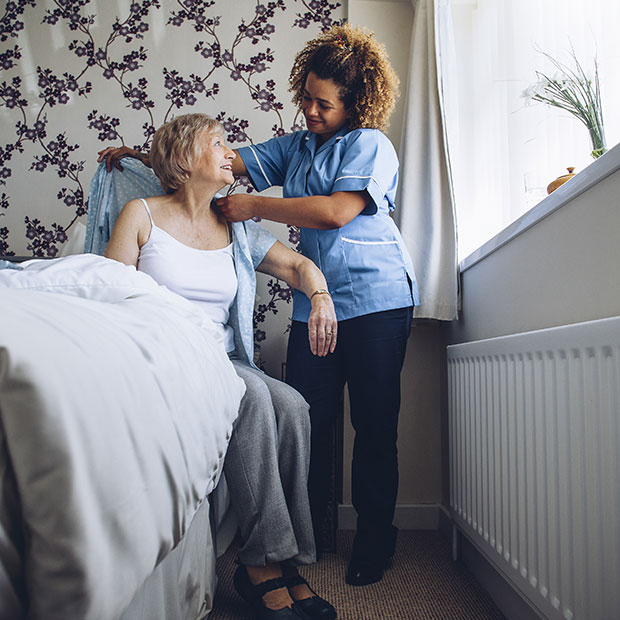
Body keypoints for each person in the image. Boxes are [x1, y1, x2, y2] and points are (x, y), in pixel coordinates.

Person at [99, 23, 420, 588]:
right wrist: (139, 157)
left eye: (323, 104)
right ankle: (309, 535)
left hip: (374, 300)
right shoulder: (293, 148)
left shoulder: (372, 145)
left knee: (373, 425)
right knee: (306, 415)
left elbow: (337, 212)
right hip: (310, 307)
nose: (310, 111)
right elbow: (204, 163)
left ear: (354, 103)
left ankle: (375, 538)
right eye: (307, 98)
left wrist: (256, 208)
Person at [103, 113, 337, 620]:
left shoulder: (234, 226)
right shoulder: (140, 214)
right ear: (185, 159)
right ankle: (260, 569)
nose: (231, 153)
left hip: (224, 358)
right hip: (168, 358)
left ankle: (289, 561)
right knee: (250, 398)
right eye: (219, 143)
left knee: (293, 406)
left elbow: (297, 265)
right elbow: (112, 294)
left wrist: (319, 295)